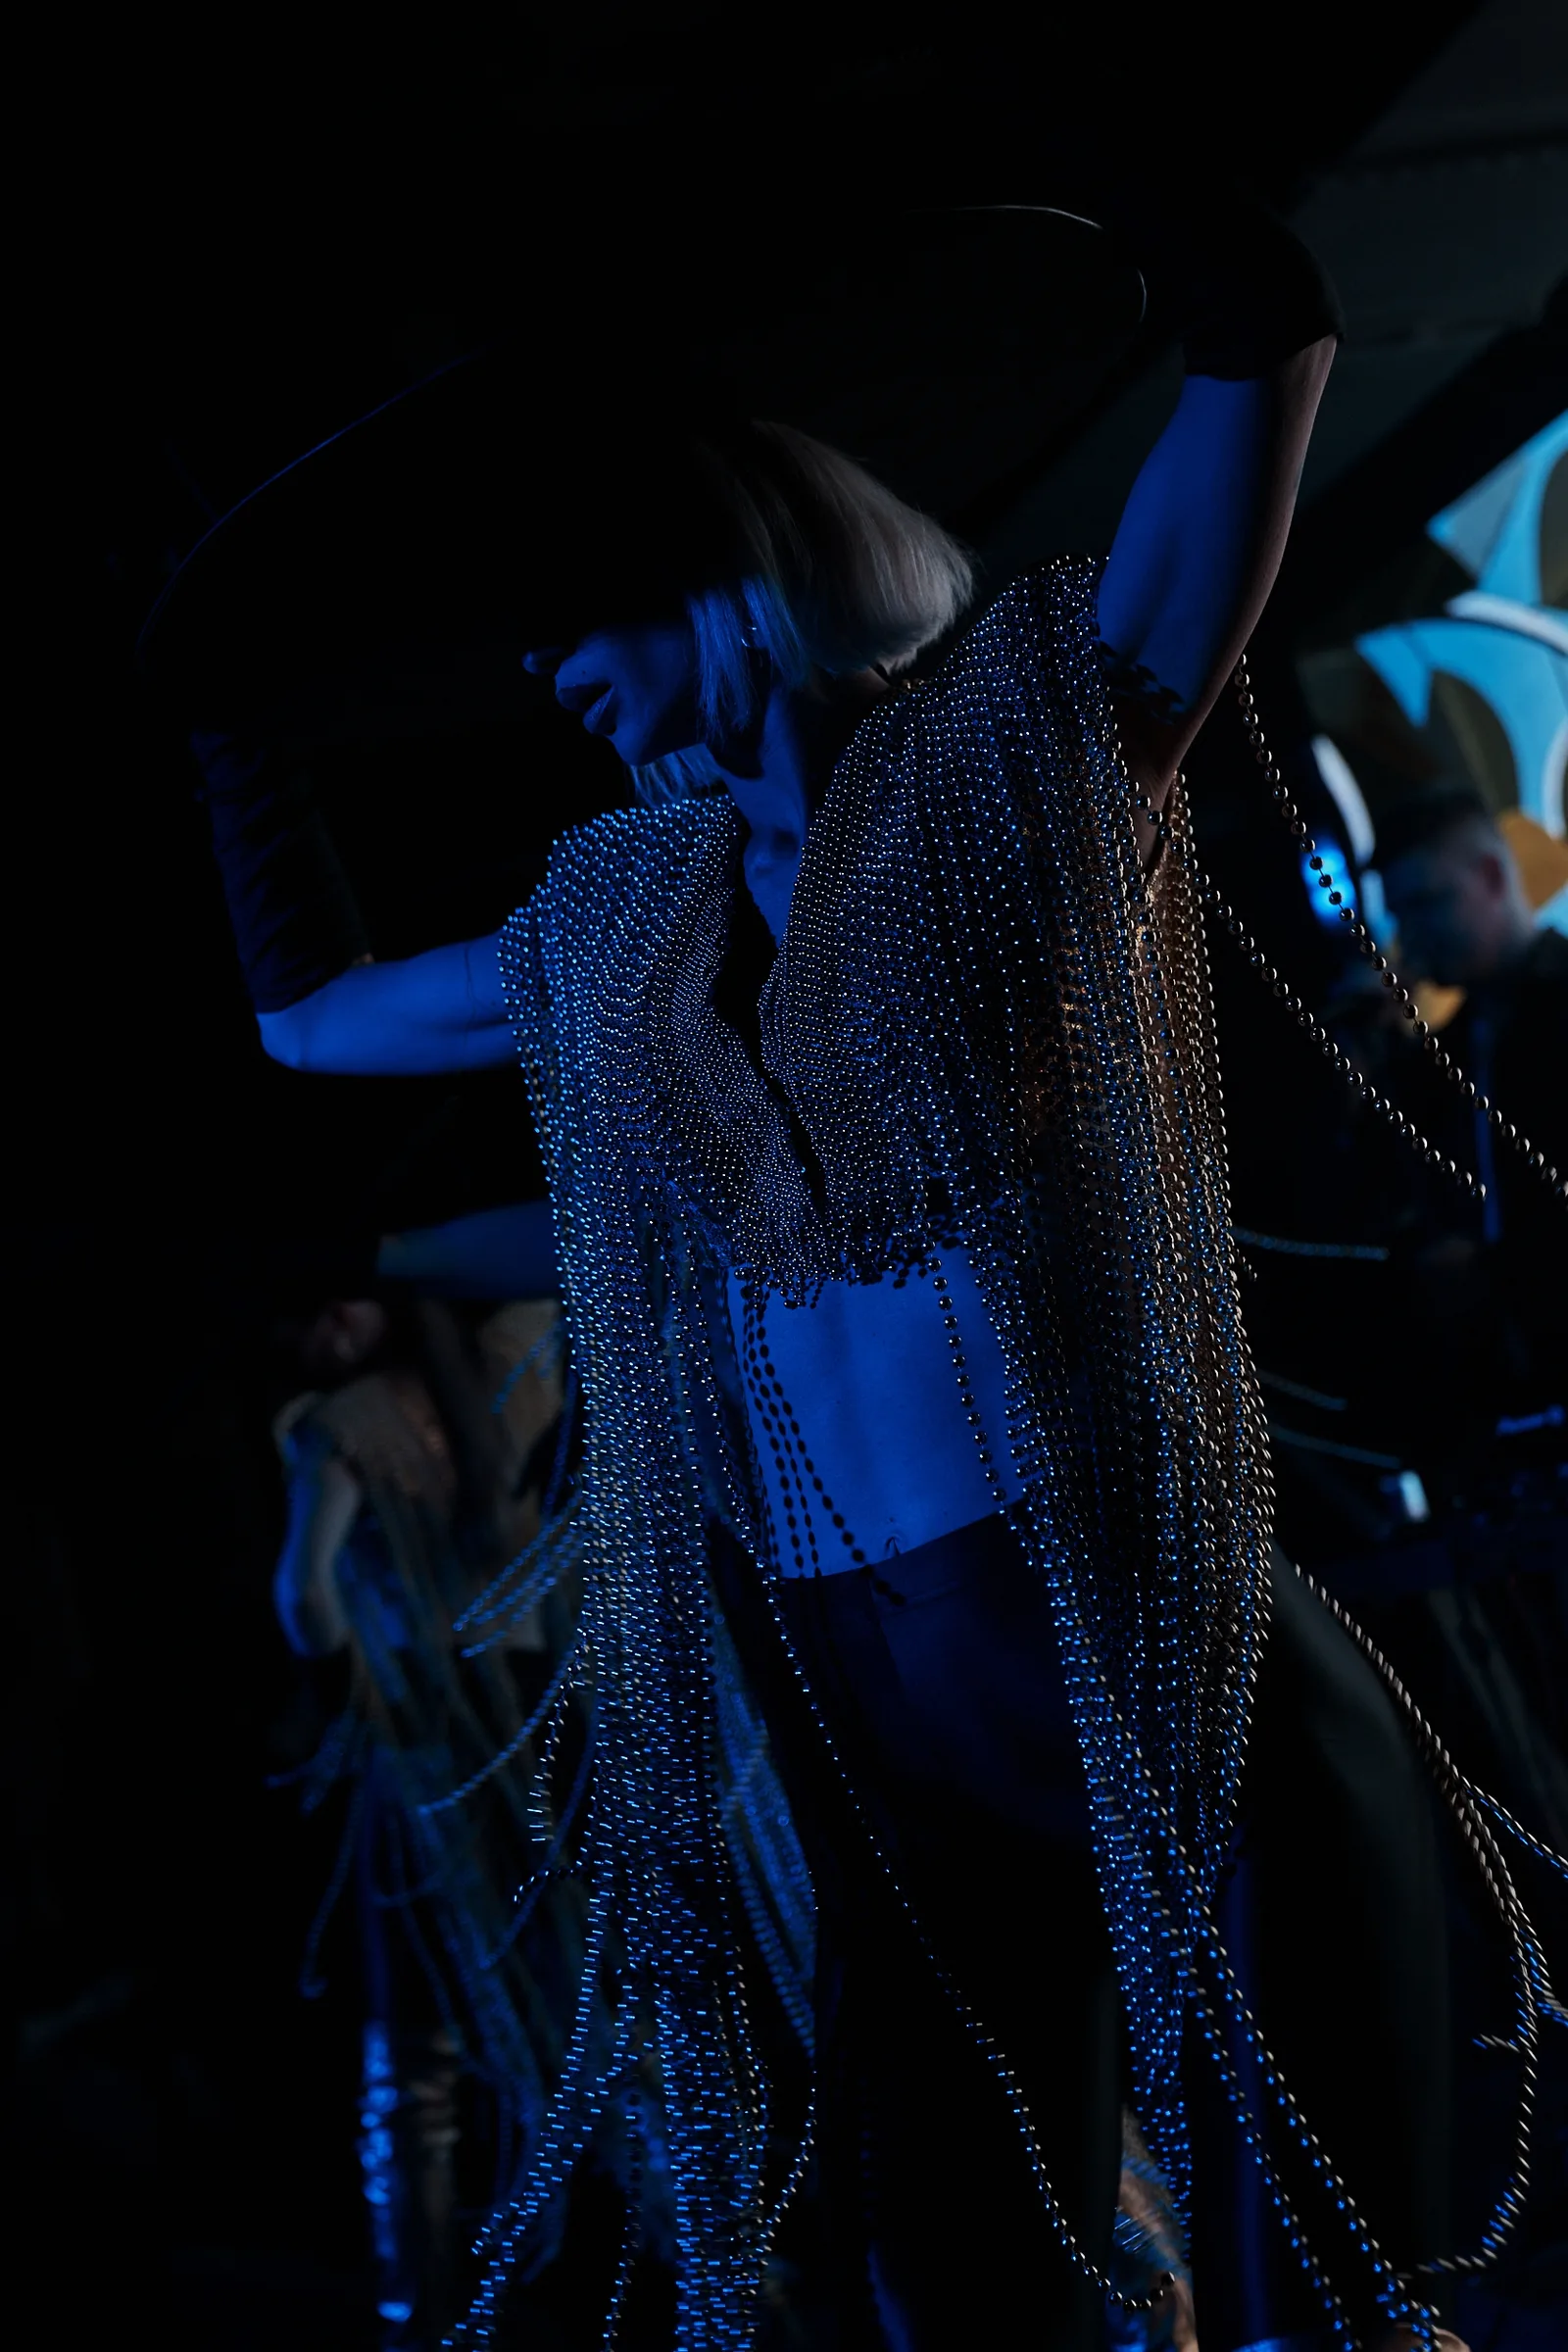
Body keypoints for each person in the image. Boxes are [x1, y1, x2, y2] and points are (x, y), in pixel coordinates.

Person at [169, 186, 1542, 2352]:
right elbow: (315, 1023)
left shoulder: (1009, 760)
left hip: (1137, 1623)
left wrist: (1214, 261)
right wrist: (233, 723)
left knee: (1326, 2287)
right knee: (957, 2287)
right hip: (881, 1703)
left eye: (561, 610)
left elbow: (1227, 445)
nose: (532, 668)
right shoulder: (621, 916)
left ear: (710, 560)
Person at [273, 1285, 581, 2349]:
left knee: (416, 2053)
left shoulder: (339, 1426)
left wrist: (356, 1698)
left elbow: (304, 1597)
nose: (320, 1330)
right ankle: (728, 2278)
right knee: (608, 2007)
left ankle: (425, 2315)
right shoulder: (525, 1351)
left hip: (427, 1737)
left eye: (328, 1306)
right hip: (548, 1719)